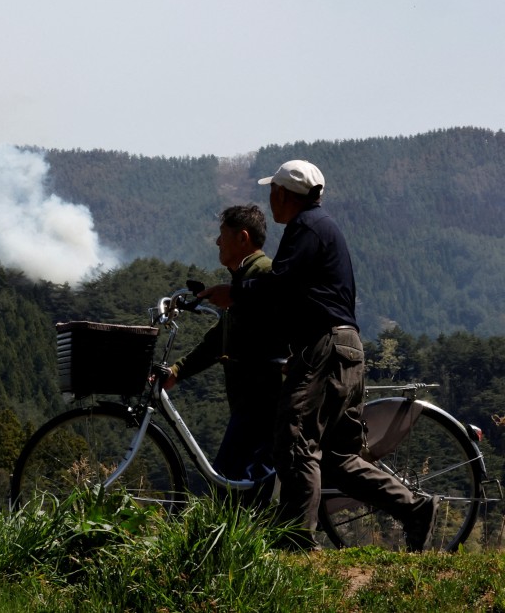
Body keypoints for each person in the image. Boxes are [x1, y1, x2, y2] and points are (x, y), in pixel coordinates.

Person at [199, 159, 438, 551]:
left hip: (324, 346)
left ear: (282, 194)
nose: (270, 200)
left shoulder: (305, 228)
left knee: (294, 439)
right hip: (347, 347)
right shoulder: (320, 226)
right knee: (338, 457)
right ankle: (414, 508)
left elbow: (280, 286)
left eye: (272, 192)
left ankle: (297, 542)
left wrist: (235, 295)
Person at [162, 204, 285, 482]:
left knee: (234, 481)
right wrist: (178, 370)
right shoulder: (245, 277)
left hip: (263, 399)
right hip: (253, 400)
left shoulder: (261, 275)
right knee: (239, 479)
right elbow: (220, 339)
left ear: (243, 237)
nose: (218, 241)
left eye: (222, 234)